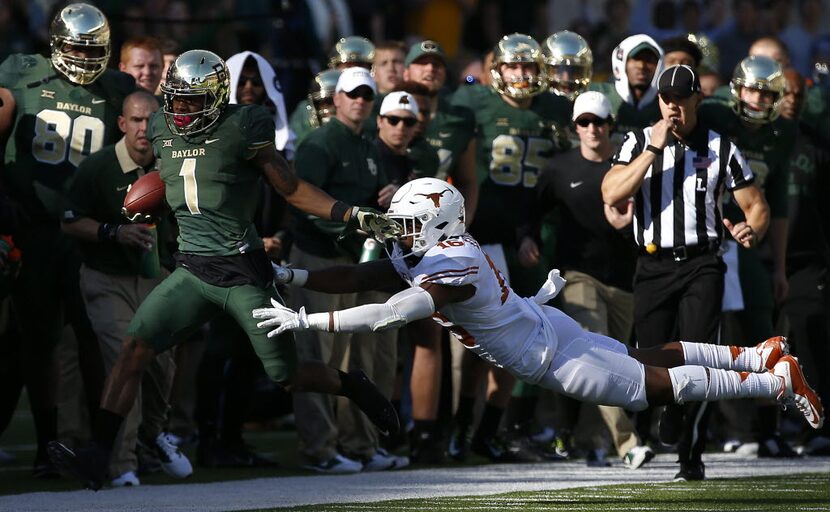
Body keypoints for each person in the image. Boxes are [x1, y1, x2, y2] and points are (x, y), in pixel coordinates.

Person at [253, 177, 824, 480]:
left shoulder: (449, 265)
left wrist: (303, 316)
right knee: (644, 355)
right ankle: (756, 354)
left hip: (546, 353)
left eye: (407, 225)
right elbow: (365, 272)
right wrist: (296, 273)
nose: (399, 234)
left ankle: (776, 381)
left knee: (650, 388)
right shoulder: (437, 247)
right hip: (542, 321)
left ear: (435, 223)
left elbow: (388, 312)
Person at [47, 50, 399, 491]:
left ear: (214, 97)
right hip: (191, 268)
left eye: (191, 100)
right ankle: (99, 453)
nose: (179, 108)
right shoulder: (160, 125)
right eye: (175, 99)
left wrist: (352, 214)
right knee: (134, 347)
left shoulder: (244, 124)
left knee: (286, 375)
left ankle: (353, 386)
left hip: (242, 272)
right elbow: (171, 177)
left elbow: (289, 188)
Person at [601, 64, 770, 480]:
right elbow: (611, 192)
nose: (673, 106)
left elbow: (757, 207)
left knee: (698, 354)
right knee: (652, 357)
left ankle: (690, 455)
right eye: (666, 98)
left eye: (681, 97)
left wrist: (753, 230)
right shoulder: (639, 141)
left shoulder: (720, 148)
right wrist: (653, 150)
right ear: (658, 100)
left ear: (697, 99)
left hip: (702, 264)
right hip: (653, 264)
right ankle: (666, 412)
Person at [0, 3, 135, 478]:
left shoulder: (118, 89)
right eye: (75, 46)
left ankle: (96, 445)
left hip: (90, 233)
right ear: (56, 43)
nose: (82, 56)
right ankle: (47, 444)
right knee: (35, 341)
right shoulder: (21, 74)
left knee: (93, 340)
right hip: (34, 228)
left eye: (91, 48)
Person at [445, 33, 569, 463]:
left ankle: (495, 429)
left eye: (529, 67)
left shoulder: (554, 110)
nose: (521, 75)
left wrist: (534, 231)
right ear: (496, 69)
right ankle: (461, 429)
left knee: (528, 339)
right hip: (484, 236)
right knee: (481, 343)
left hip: (531, 236)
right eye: (513, 66)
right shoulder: (474, 103)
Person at [61, 90, 191, 486]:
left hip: (155, 277)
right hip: (106, 277)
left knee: (162, 365)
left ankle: (153, 432)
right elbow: (68, 221)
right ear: (121, 124)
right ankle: (122, 463)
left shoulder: (171, 164)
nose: (142, 130)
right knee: (124, 362)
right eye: (135, 121)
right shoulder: (99, 167)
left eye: (150, 122)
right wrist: (113, 232)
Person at [533, 90, 653, 469]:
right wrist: (526, 239)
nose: (592, 129)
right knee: (598, 358)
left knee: (614, 361)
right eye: (584, 122)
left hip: (625, 278)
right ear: (574, 128)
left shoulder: (628, 166)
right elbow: (532, 211)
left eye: (599, 122)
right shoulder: (559, 168)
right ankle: (628, 442)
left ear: (611, 126)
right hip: (579, 275)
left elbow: (650, 217)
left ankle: (589, 441)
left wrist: (627, 228)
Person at [288, 67, 397, 473]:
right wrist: (356, 226)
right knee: (317, 355)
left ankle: (359, 444)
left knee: (359, 355)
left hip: (357, 260)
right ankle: (320, 448)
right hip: (320, 259)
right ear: (335, 99)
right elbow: (304, 202)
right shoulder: (319, 143)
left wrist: (388, 198)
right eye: (352, 94)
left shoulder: (368, 145)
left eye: (367, 96)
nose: (360, 102)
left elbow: (377, 200)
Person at [698, 55, 797, 458]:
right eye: (752, 89)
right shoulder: (714, 118)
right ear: (737, 89)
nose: (758, 98)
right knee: (717, 334)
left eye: (767, 92)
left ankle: (767, 427)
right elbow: (699, 179)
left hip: (749, 244)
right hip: (705, 237)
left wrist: (781, 265)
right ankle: (728, 426)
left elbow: (778, 203)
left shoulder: (781, 134)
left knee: (761, 328)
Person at [779, 67, 830, 455]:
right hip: (762, 257)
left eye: (798, 94)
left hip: (807, 258)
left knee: (810, 339)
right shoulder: (756, 143)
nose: (792, 100)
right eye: (786, 93)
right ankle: (758, 429)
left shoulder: (815, 145)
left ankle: (818, 425)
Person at [589, 34, 664, 144]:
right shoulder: (598, 96)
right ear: (621, 62)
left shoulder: (666, 104)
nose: (642, 66)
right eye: (636, 59)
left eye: (649, 60)